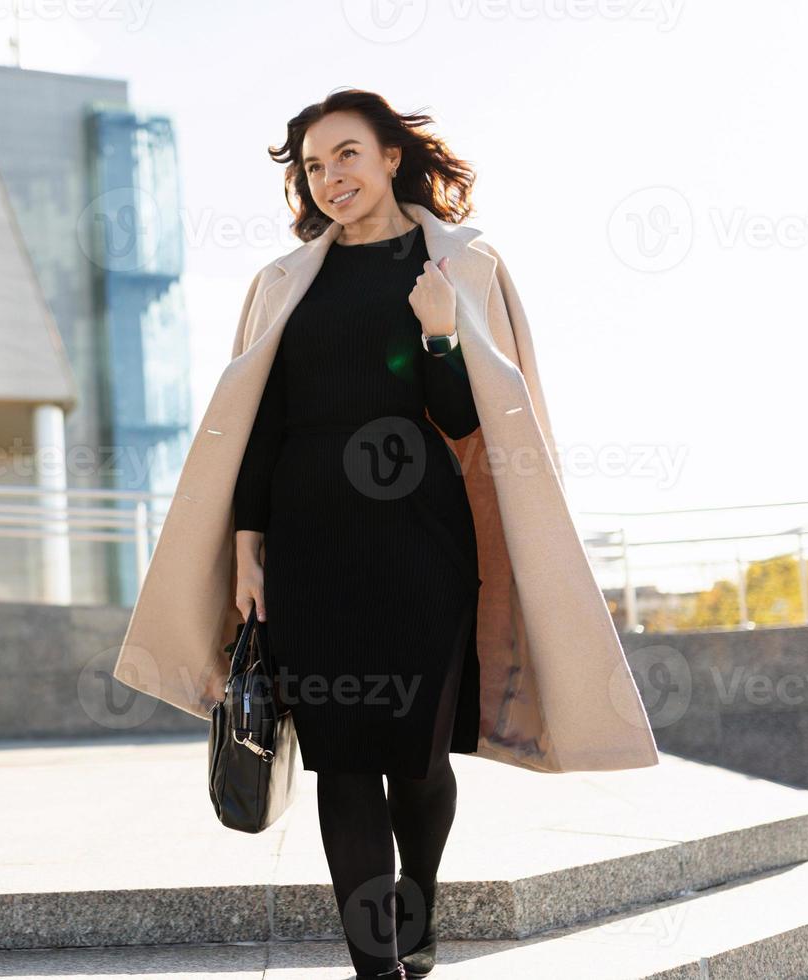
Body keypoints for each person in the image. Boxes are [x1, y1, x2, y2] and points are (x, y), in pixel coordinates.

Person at [231, 89, 484, 980]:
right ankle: (375, 969)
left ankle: (418, 902)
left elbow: (457, 417)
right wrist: (246, 549)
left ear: (387, 158)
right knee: (341, 758)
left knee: (416, 758)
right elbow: (261, 422)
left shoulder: (447, 266)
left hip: (421, 534)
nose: (329, 177)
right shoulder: (287, 283)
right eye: (312, 166)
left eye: (346, 155)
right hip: (310, 537)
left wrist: (441, 335)